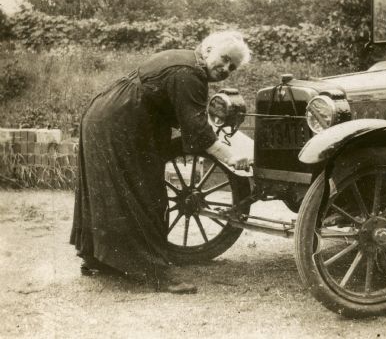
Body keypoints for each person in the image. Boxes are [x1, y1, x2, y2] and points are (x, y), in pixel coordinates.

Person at [70, 30, 252, 294]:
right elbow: (198, 132)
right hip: (120, 124)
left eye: (231, 67)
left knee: (106, 191)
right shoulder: (190, 74)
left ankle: (97, 258)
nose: (225, 68)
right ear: (209, 48)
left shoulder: (185, 61)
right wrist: (232, 157)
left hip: (104, 117)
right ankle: (156, 272)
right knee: (146, 197)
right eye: (224, 59)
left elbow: (186, 116)